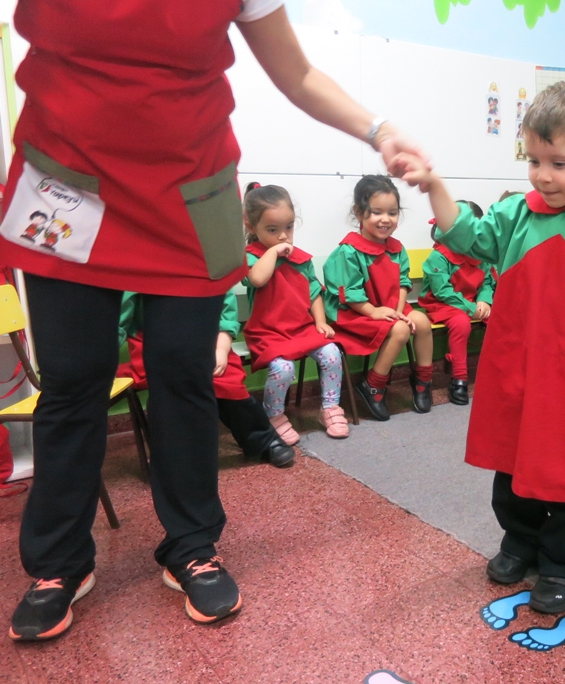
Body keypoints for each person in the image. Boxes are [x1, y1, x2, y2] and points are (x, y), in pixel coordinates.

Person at [1, 1, 428, 640]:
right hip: (66, 187)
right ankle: (58, 563)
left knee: (184, 374)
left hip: (185, 194)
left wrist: (379, 130)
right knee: (73, 378)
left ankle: (192, 546)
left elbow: (295, 72)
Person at [393, 81, 565, 614]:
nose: (542, 176)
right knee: (511, 470)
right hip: (516, 373)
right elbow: (466, 235)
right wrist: (434, 184)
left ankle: (563, 565)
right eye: (533, 161)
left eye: (559, 163)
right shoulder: (518, 214)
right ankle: (520, 542)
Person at [117, 291, 295, 467]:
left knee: (229, 386)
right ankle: (170, 451)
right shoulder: (139, 273)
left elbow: (226, 313)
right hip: (156, 340)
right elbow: (120, 319)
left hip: (207, 337)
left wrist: (221, 349)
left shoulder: (212, 272)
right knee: (169, 390)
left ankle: (263, 440)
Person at [242, 183, 349, 443]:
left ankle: (330, 407)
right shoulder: (251, 257)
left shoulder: (301, 259)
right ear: (251, 227)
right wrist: (273, 252)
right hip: (268, 333)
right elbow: (257, 279)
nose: (283, 236)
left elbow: (314, 292)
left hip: (301, 328)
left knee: (332, 353)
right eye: (272, 230)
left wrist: (320, 321)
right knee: (283, 368)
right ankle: (273, 416)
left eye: (288, 227)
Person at [323, 175, 434, 421]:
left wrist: (398, 311)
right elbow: (350, 294)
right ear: (359, 212)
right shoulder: (348, 251)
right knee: (400, 330)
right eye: (376, 212)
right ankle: (372, 385)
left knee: (422, 322)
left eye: (392, 213)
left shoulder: (397, 248)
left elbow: (403, 283)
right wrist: (375, 312)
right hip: (356, 313)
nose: (386, 219)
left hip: (389, 308)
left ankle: (423, 379)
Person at [419, 201, 497, 405]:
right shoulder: (439, 256)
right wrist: (470, 308)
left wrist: (484, 300)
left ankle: (500, 371)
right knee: (461, 323)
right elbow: (442, 291)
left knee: (500, 319)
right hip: (442, 304)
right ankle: (459, 378)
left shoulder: (480, 254)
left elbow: (487, 281)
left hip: (472, 302)